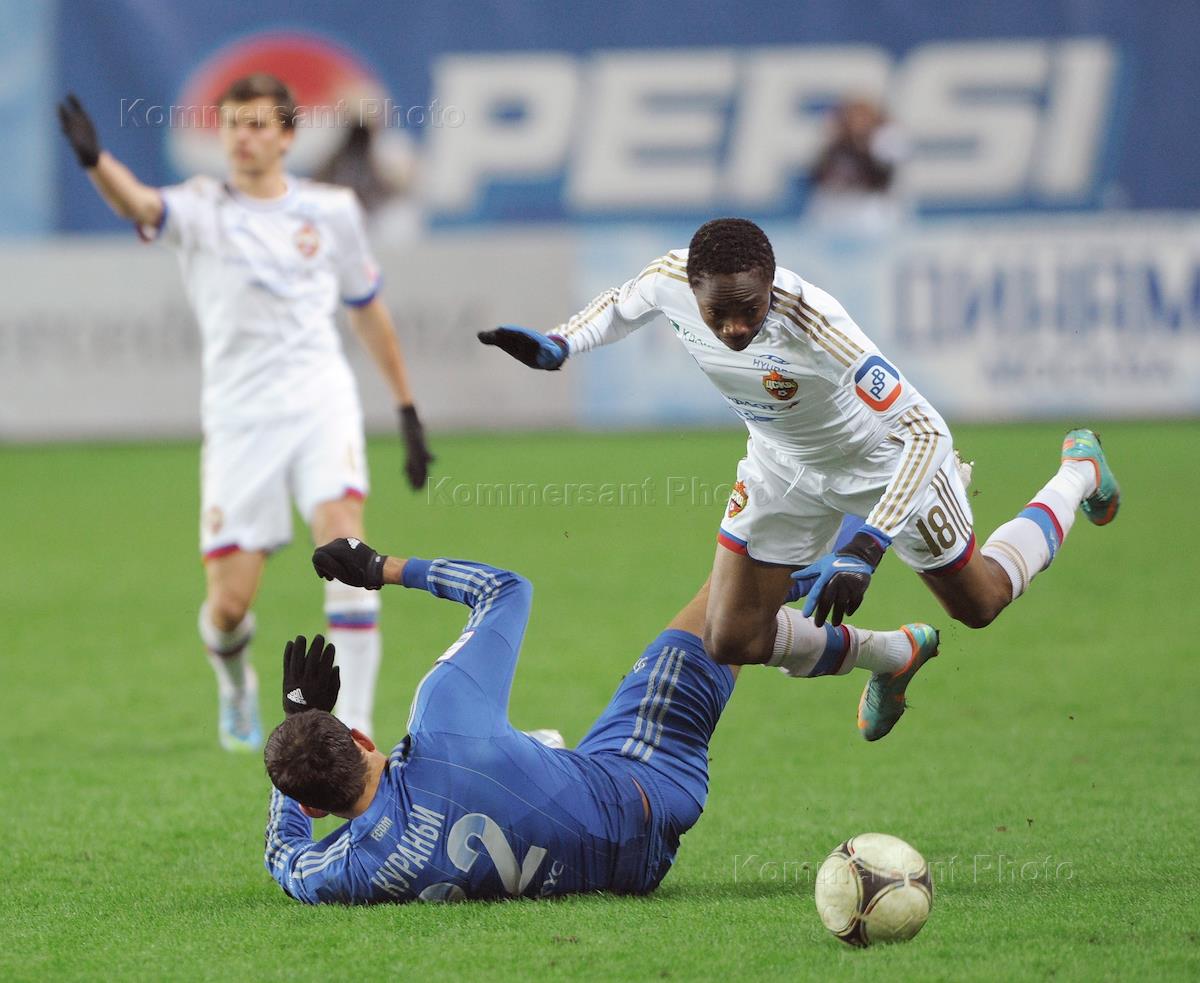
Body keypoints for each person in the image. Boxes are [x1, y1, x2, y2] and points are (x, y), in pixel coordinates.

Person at [478, 218, 1119, 740]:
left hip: (884, 465)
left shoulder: (818, 327)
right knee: (732, 636)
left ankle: (1077, 474)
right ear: (693, 290)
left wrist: (866, 546)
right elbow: (622, 305)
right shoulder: (669, 278)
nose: (735, 328)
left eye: (750, 310)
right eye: (718, 313)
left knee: (980, 604)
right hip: (782, 465)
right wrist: (560, 344)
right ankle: (894, 655)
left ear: (771, 284)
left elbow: (928, 433)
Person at [56, 76, 434, 751]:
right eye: (233, 124)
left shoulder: (332, 210)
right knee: (229, 606)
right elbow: (138, 202)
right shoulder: (201, 208)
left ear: (287, 136)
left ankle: (356, 729)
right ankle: (234, 684)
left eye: (258, 124)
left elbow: (367, 308)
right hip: (240, 421)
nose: (243, 137)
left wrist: (405, 406)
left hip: (320, 402)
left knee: (345, 544)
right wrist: (95, 161)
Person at [263, 536, 933, 904]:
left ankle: (880, 641)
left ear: (314, 808)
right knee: (730, 604)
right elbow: (504, 589)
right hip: (646, 780)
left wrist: (298, 731)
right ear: (360, 737)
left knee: (534, 756)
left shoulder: (346, 872)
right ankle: (868, 567)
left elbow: (282, 857)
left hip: (629, 871)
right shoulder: (443, 720)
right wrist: (380, 567)